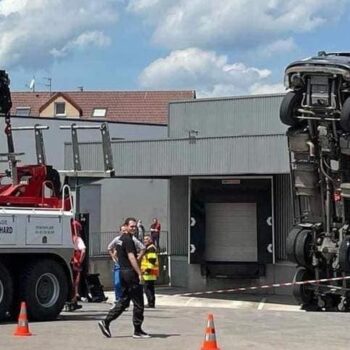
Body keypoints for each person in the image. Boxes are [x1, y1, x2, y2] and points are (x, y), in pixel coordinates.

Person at [98, 217, 150, 339]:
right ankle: (137, 331)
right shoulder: (128, 240)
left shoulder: (120, 240)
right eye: (131, 226)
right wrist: (139, 273)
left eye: (134, 226)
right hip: (130, 273)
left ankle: (106, 322)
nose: (133, 228)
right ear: (125, 226)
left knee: (124, 301)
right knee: (138, 302)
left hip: (122, 273)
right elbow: (132, 257)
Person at [107, 225, 146, 303]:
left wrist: (138, 258)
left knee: (130, 285)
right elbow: (109, 248)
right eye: (122, 230)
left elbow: (143, 248)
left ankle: (125, 300)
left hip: (128, 265)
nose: (124, 232)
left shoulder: (132, 239)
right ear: (120, 231)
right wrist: (113, 257)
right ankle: (118, 299)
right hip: (119, 264)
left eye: (125, 230)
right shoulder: (117, 239)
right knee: (117, 282)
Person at [70, 219, 86, 310]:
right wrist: (80, 261)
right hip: (76, 262)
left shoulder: (68, 238)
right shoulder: (78, 239)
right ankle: (74, 300)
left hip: (70, 260)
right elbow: (83, 251)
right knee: (76, 282)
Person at [141, 235, 159, 308]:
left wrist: (147, 270)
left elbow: (152, 261)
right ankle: (151, 303)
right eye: (144, 239)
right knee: (150, 288)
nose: (145, 240)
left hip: (149, 273)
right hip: (150, 272)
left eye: (147, 239)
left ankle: (150, 303)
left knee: (147, 289)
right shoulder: (149, 248)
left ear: (151, 240)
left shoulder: (151, 248)